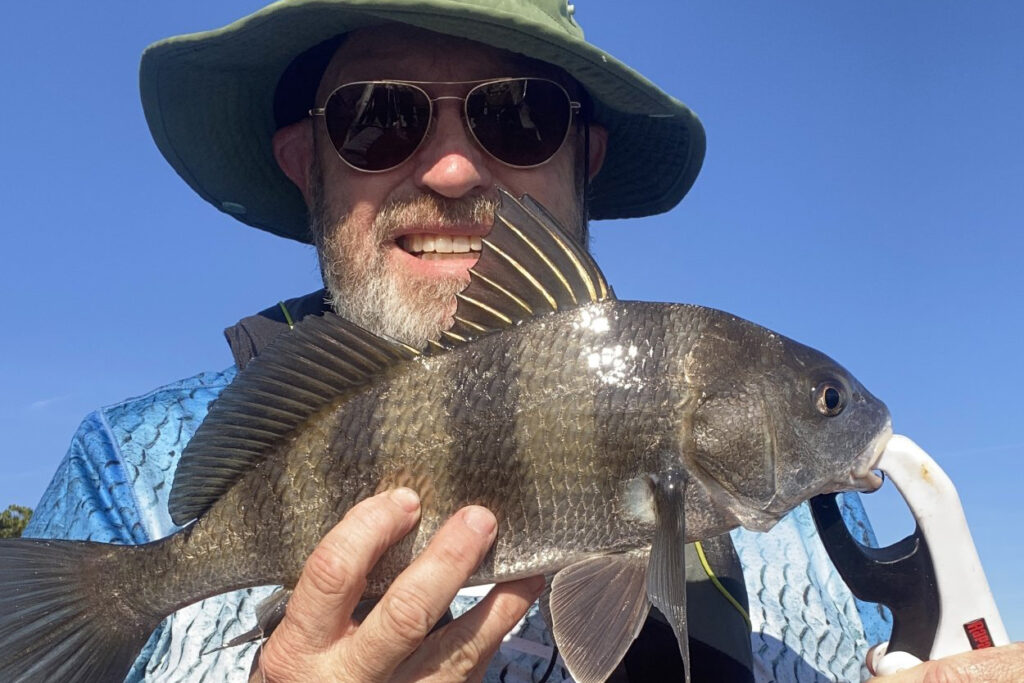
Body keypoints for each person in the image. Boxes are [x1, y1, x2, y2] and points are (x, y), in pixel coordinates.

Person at [21, 1, 1022, 681]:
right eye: (378, 119)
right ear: (304, 162)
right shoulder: (124, 469)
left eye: (520, 115)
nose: (454, 168)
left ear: (582, 155)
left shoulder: (786, 535)